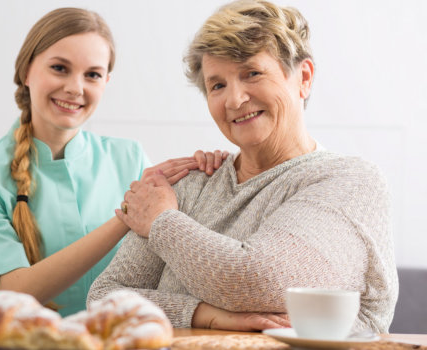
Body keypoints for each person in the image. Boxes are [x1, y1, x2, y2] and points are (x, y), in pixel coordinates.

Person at [88, 0, 397, 333]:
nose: (234, 100)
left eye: (252, 73)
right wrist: (204, 314)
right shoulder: (190, 184)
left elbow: (260, 281)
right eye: (217, 85)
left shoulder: (350, 182)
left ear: (303, 77)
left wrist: (162, 223)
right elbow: (104, 299)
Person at [0, 7, 224, 317]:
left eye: (92, 75)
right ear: (26, 70)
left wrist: (209, 175)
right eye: (59, 68)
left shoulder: (131, 157)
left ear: (106, 81)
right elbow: (14, 292)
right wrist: (128, 214)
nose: (75, 87)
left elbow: (175, 261)